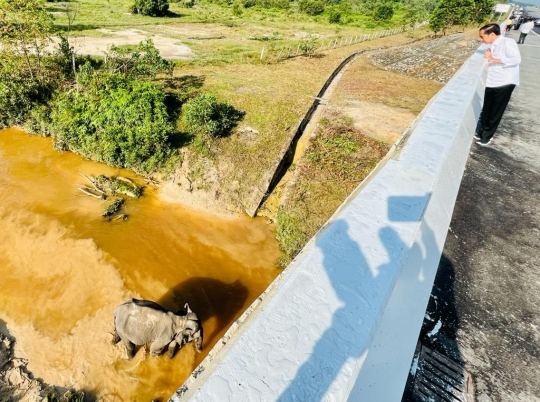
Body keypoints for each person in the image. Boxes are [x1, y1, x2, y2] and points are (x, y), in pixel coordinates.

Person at [475, 23, 521, 146]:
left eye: (482, 36)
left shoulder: (507, 42)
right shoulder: (494, 45)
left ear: (491, 34)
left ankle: (487, 137)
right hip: (493, 80)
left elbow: (516, 59)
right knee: (487, 108)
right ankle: (481, 131)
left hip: (505, 82)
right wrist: (490, 56)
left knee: (495, 111)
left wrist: (491, 58)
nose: (481, 39)